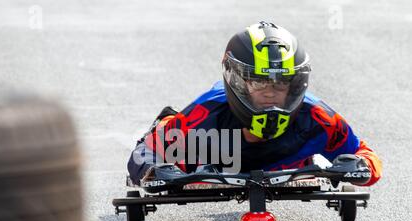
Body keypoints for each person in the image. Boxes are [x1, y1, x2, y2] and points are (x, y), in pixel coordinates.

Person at [127, 21, 382, 187]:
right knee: (170, 135)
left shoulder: (319, 118)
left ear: (295, 85)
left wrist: (360, 167)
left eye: (280, 84)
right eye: (259, 83)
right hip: (213, 159)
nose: (270, 93)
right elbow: (142, 154)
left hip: (287, 167)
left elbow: (364, 154)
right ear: (238, 83)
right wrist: (152, 171)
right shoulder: (204, 115)